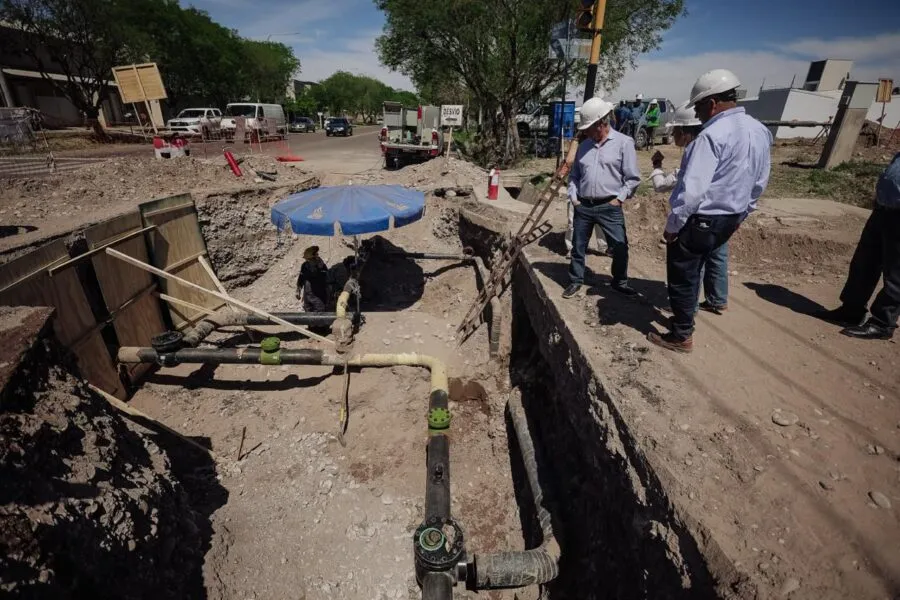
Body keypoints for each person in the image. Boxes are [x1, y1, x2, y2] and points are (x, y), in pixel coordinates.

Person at [647, 69, 772, 353]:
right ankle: (689, 318)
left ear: (712, 103)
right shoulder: (759, 130)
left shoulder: (710, 136)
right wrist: (743, 214)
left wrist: (673, 225)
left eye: (700, 107)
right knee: (704, 264)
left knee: (684, 275)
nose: (699, 114)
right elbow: (759, 181)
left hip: (701, 219)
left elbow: (692, 191)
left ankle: (681, 335)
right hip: (730, 217)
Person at [650, 104, 728, 314]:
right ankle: (718, 299)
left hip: (698, 219)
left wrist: (656, 165)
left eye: (674, 131)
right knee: (716, 254)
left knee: (693, 264)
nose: (673, 135)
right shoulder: (718, 150)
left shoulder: (694, 156)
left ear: (684, 133)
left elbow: (662, 186)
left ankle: (687, 309)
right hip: (723, 215)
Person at [563, 96, 641, 299]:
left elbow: (632, 178)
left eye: (588, 127)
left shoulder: (624, 143)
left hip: (609, 205)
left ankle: (619, 282)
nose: (585, 132)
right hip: (584, 205)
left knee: (620, 246)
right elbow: (574, 176)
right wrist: (574, 196)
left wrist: (619, 199)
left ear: (601, 124)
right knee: (578, 246)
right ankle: (575, 280)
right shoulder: (584, 147)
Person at [817, 152, 900, 339]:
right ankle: (851, 310)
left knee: (895, 273)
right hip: (882, 211)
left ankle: (882, 323)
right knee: (864, 263)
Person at [296, 245, 330, 312]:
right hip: (307, 297)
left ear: (314, 258)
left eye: (309, 260)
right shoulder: (305, 266)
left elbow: (327, 282)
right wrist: (298, 290)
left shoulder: (322, 267)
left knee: (319, 318)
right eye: (307, 260)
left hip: (319, 299)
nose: (308, 261)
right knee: (308, 318)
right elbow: (301, 278)